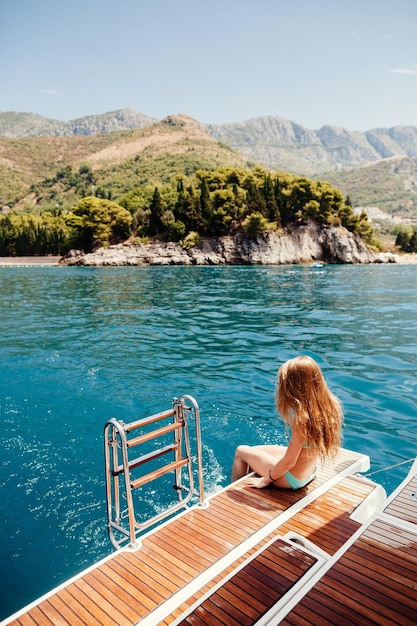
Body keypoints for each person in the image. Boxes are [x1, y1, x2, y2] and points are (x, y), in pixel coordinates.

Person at [231, 355, 343, 489]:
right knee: (253, 451)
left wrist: (266, 480)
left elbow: (289, 462)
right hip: (309, 472)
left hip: (291, 479)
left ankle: (236, 492)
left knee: (241, 451)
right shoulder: (331, 406)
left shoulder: (302, 419)